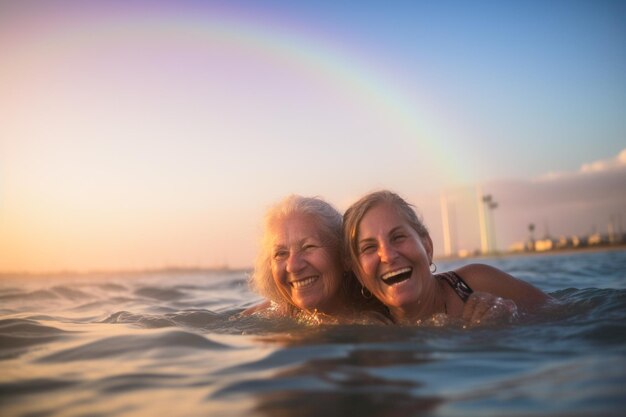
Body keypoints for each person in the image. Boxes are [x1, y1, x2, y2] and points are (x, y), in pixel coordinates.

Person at [343, 190, 552, 326]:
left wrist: (510, 320)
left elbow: (564, 314)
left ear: (427, 247)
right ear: (360, 274)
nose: (388, 255)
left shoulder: (475, 284)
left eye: (398, 237)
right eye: (369, 248)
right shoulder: (370, 329)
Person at [244, 194, 389, 324]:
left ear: (344, 255)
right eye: (281, 254)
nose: (293, 266)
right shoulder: (264, 316)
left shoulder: (382, 319)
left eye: (308, 247)